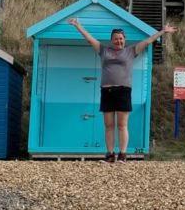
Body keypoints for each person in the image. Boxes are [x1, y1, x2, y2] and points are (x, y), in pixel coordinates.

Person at [68, 17, 176, 163]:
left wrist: (163, 31)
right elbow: (89, 39)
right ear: (111, 40)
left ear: (124, 39)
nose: (118, 41)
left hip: (123, 92)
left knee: (122, 125)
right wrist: (77, 25)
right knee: (108, 125)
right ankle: (110, 154)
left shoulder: (131, 51)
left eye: (121, 38)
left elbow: (148, 41)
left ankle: (123, 155)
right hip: (107, 92)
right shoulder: (103, 50)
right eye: (115, 39)